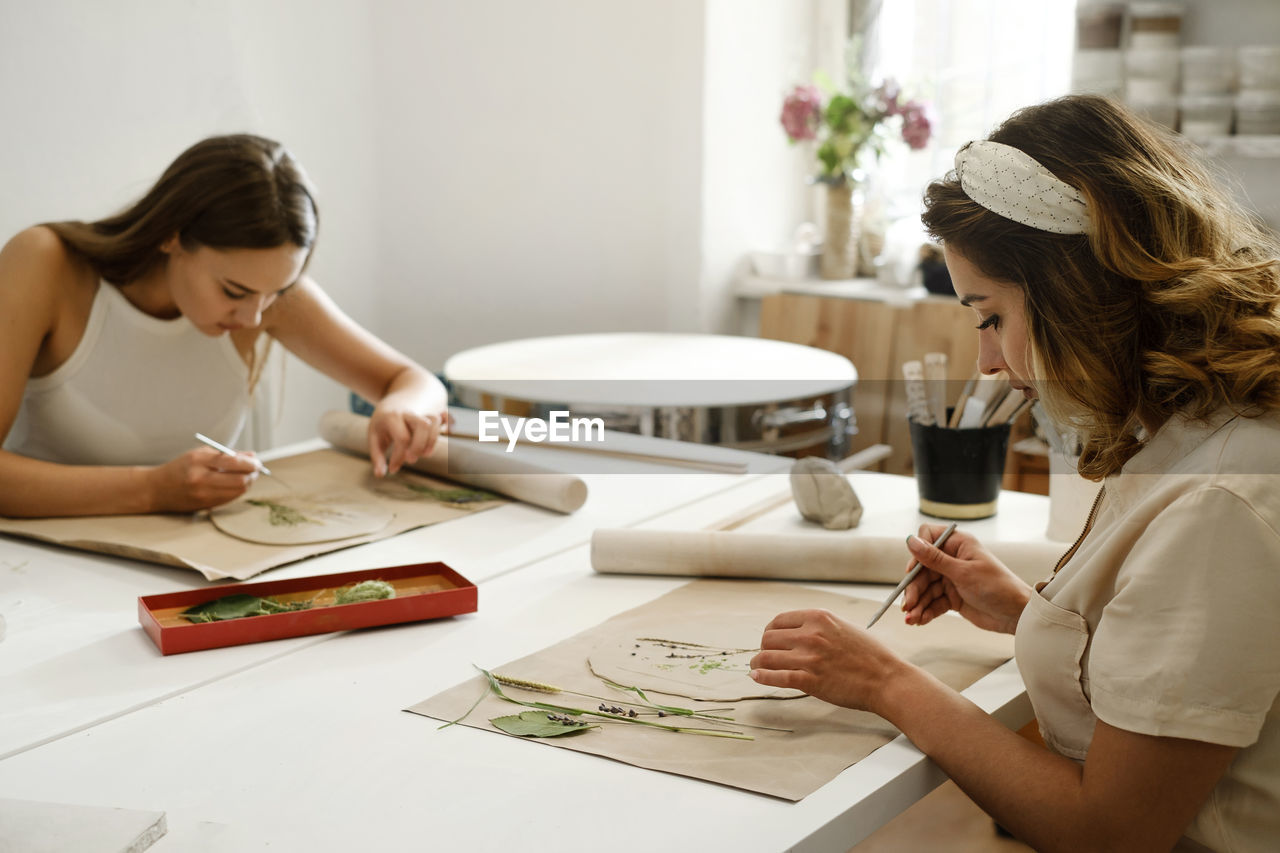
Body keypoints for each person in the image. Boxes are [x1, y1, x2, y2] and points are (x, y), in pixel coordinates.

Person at [750, 95, 1280, 852]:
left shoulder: (1222, 499)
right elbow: (1170, 643)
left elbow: (1110, 832)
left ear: (1077, 292)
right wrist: (1025, 608)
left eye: (990, 315)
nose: (986, 362)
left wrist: (886, 682)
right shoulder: (1198, 422)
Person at [0, 134, 448, 517]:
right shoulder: (46, 263)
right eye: (234, 292)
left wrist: (401, 408)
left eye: (275, 293)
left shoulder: (265, 296)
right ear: (171, 233)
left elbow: (414, 381)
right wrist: (152, 489)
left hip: (188, 562)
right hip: (40, 569)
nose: (254, 316)